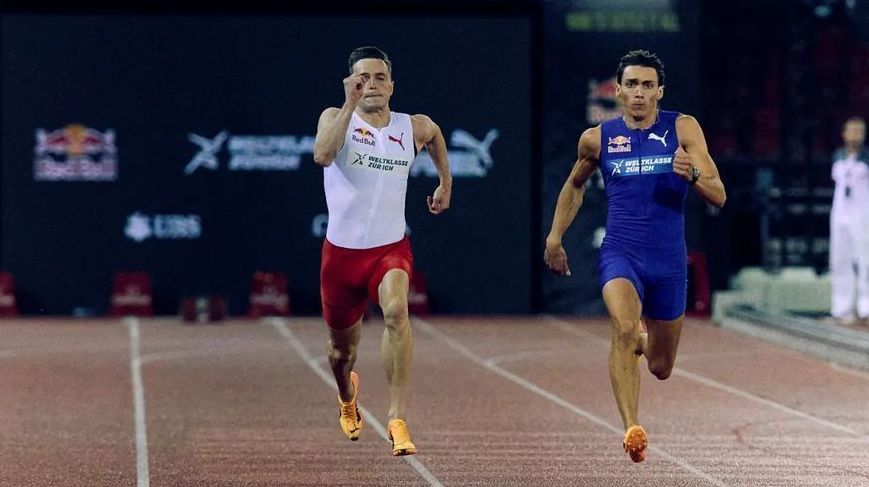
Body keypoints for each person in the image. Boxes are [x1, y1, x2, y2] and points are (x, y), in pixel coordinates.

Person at [544, 50, 726, 463]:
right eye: (631, 85)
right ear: (619, 91)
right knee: (624, 328)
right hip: (620, 253)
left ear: (660, 91)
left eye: (647, 85)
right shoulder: (597, 139)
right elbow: (575, 186)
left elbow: (719, 193)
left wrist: (693, 174)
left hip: (668, 262)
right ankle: (631, 428)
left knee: (660, 366)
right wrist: (555, 237)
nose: (639, 93)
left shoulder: (683, 129)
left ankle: (647, 340)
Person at [312, 46, 452, 456]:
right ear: (350, 82)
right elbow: (322, 154)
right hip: (341, 257)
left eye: (377, 78)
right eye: (361, 78)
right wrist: (348, 103)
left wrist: (445, 182)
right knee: (342, 353)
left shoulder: (412, 126)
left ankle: (396, 416)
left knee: (396, 311)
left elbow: (436, 136)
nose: (370, 84)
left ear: (391, 85)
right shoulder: (335, 118)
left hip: (389, 249)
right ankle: (346, 396)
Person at [829, 117, 869, 325]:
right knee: (839, 260)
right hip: (840, 213)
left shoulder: (867, 158)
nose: (854, 135)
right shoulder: (838, 156)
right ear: (844, 134)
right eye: (851, 131)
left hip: (862, 214)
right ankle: (841, 308)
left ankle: (865, 308)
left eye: (858, 131)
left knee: (865, 260)